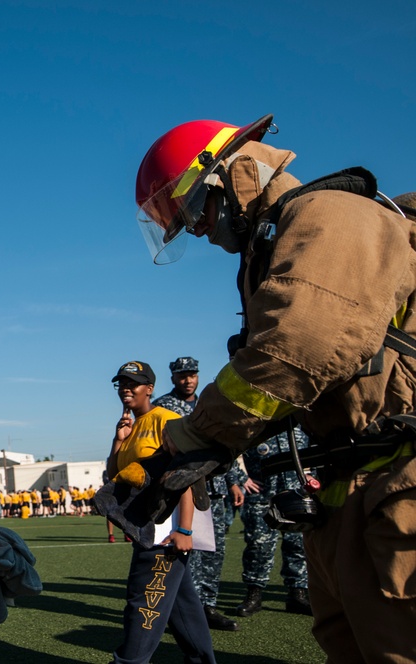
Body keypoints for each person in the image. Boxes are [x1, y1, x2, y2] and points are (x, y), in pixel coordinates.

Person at [135, 114, 416, 662]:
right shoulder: (275, 242)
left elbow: (298, 347)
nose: (196, 230)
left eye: (193, 212)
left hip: (395, 483)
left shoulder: (327, 216)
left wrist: (196, 435)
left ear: (229, 177)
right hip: (350, 490)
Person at [107, 361, 215, 664]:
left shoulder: (166, 419)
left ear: (150, 389)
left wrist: (184, 530)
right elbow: (113, 475)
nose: (126, 389)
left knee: (143, 604)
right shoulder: (131, 424)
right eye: (121, 384)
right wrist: (118, 440)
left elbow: (188, 475)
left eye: (134, 383)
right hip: (147, 526)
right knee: (184, 608)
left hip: (165, 530)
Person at [153, 356, 247, 631]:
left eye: (192, 374)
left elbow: (222, 444)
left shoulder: (210, 403)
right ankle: (178, 611)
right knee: (180, 552)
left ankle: (207, 607)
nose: (188, 379)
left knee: (213, 551)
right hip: (182, 489)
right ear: (173, 378)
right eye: (182, 375)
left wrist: (234, 480)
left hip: (215, 488)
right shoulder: (163, 406)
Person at [236, 426, 312, 617]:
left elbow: (315, 452)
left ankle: (298, 594)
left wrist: (312, 476)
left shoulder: (301, 424)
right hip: (262, 495)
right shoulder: (256, 424)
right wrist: (241, 478)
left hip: (295, 494)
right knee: (258, 546)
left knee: (297, 545)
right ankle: (254, 594)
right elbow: (231, 450)